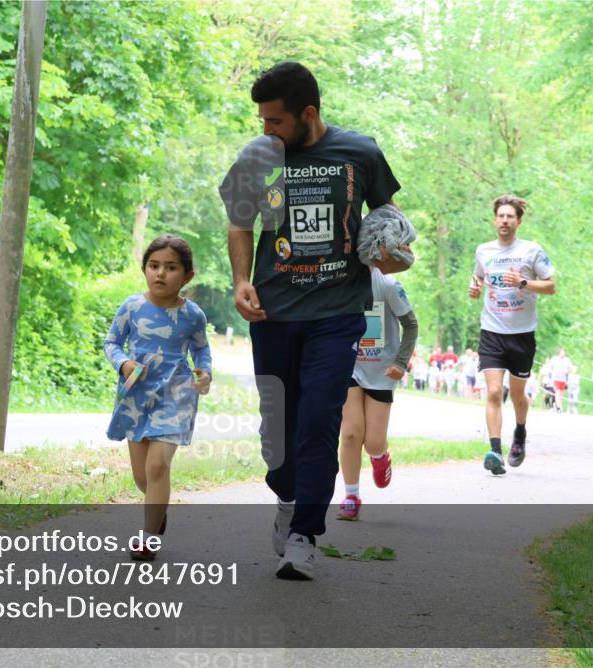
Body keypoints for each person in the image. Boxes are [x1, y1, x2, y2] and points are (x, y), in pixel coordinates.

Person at [219, 61, 403, 580]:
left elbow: (389, 225)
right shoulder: (257, 156)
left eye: (275, 121)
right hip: (272, 313)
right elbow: (239, 223)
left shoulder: (359, 151)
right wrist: (239, 281)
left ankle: (305, 533)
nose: (266, 130)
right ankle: (287, 496)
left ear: (308, 114)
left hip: (336, 313)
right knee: (278, 430)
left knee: (321, 418)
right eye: (261, 120)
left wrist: (392, 255)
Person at [104, 235, 213, 560]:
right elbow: (111, 343)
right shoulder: (132, 307)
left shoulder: (194, 315)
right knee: (142, 476)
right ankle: (157, 510)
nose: (160, 274)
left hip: (176, 395)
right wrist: (123, 364)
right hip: (136, 396)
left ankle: (148, 538)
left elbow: (201, 349)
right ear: (144, 268)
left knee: (157, 467)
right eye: (154, 266)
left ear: (187, 276)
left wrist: (204, 372)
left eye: (170, 267)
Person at [467, 195, 555, 475]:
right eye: (500, 216)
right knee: (493, 391)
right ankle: (495, 451)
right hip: (492, 330)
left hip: (522, 333)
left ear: (518, 221)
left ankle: (520, 432)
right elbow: (478, 276)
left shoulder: (532, 251)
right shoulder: (484, 250)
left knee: (518, 394)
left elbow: (551, 286)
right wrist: (475, 287)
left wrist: (524, 283)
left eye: (509, 216)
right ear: (495, 220)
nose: (504, 220)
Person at [336, 267, 418, 521]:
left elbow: (411, 325)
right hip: (349, 365)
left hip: (382, 370)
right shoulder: (339, 279)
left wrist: (401, 363)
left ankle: (380, 455)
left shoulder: (389, 285)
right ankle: (351, 496)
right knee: (350, 433)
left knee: (372, 442)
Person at [551, 348, 572, 413]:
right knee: (558, 392)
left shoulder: (567, 360)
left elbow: (570, 368)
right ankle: (559, 406)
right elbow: (550, 367)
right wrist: (553, 372)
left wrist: (568, 371)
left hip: (564, 379)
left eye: (564, 352)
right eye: (562, 352)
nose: (563, 354)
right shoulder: (555, 359)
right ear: (559, 352)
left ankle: (558, 405)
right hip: (556, 378)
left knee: (562, 393)